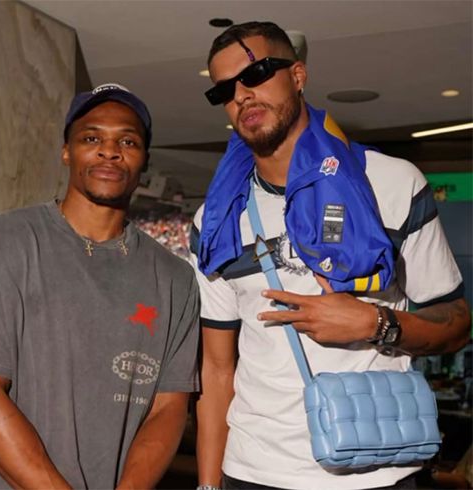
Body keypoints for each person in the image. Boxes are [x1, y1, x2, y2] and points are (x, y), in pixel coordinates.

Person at [190, 21, 471, 490]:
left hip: (380, 468)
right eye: (224, 89)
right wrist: (206, 485)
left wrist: (375, 323)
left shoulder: (393, 183)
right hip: (254, 471)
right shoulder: (216, 219)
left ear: (298, 75)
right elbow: (217, 369)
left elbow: (457, 323)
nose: (241, 94)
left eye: (256, 73)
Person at [0, 84, 200, 490]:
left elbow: (168, 408)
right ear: (66, 152)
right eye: (91, 138)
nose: (109, 151)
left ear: (144, 160)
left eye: (127, 141)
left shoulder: (174, 277)